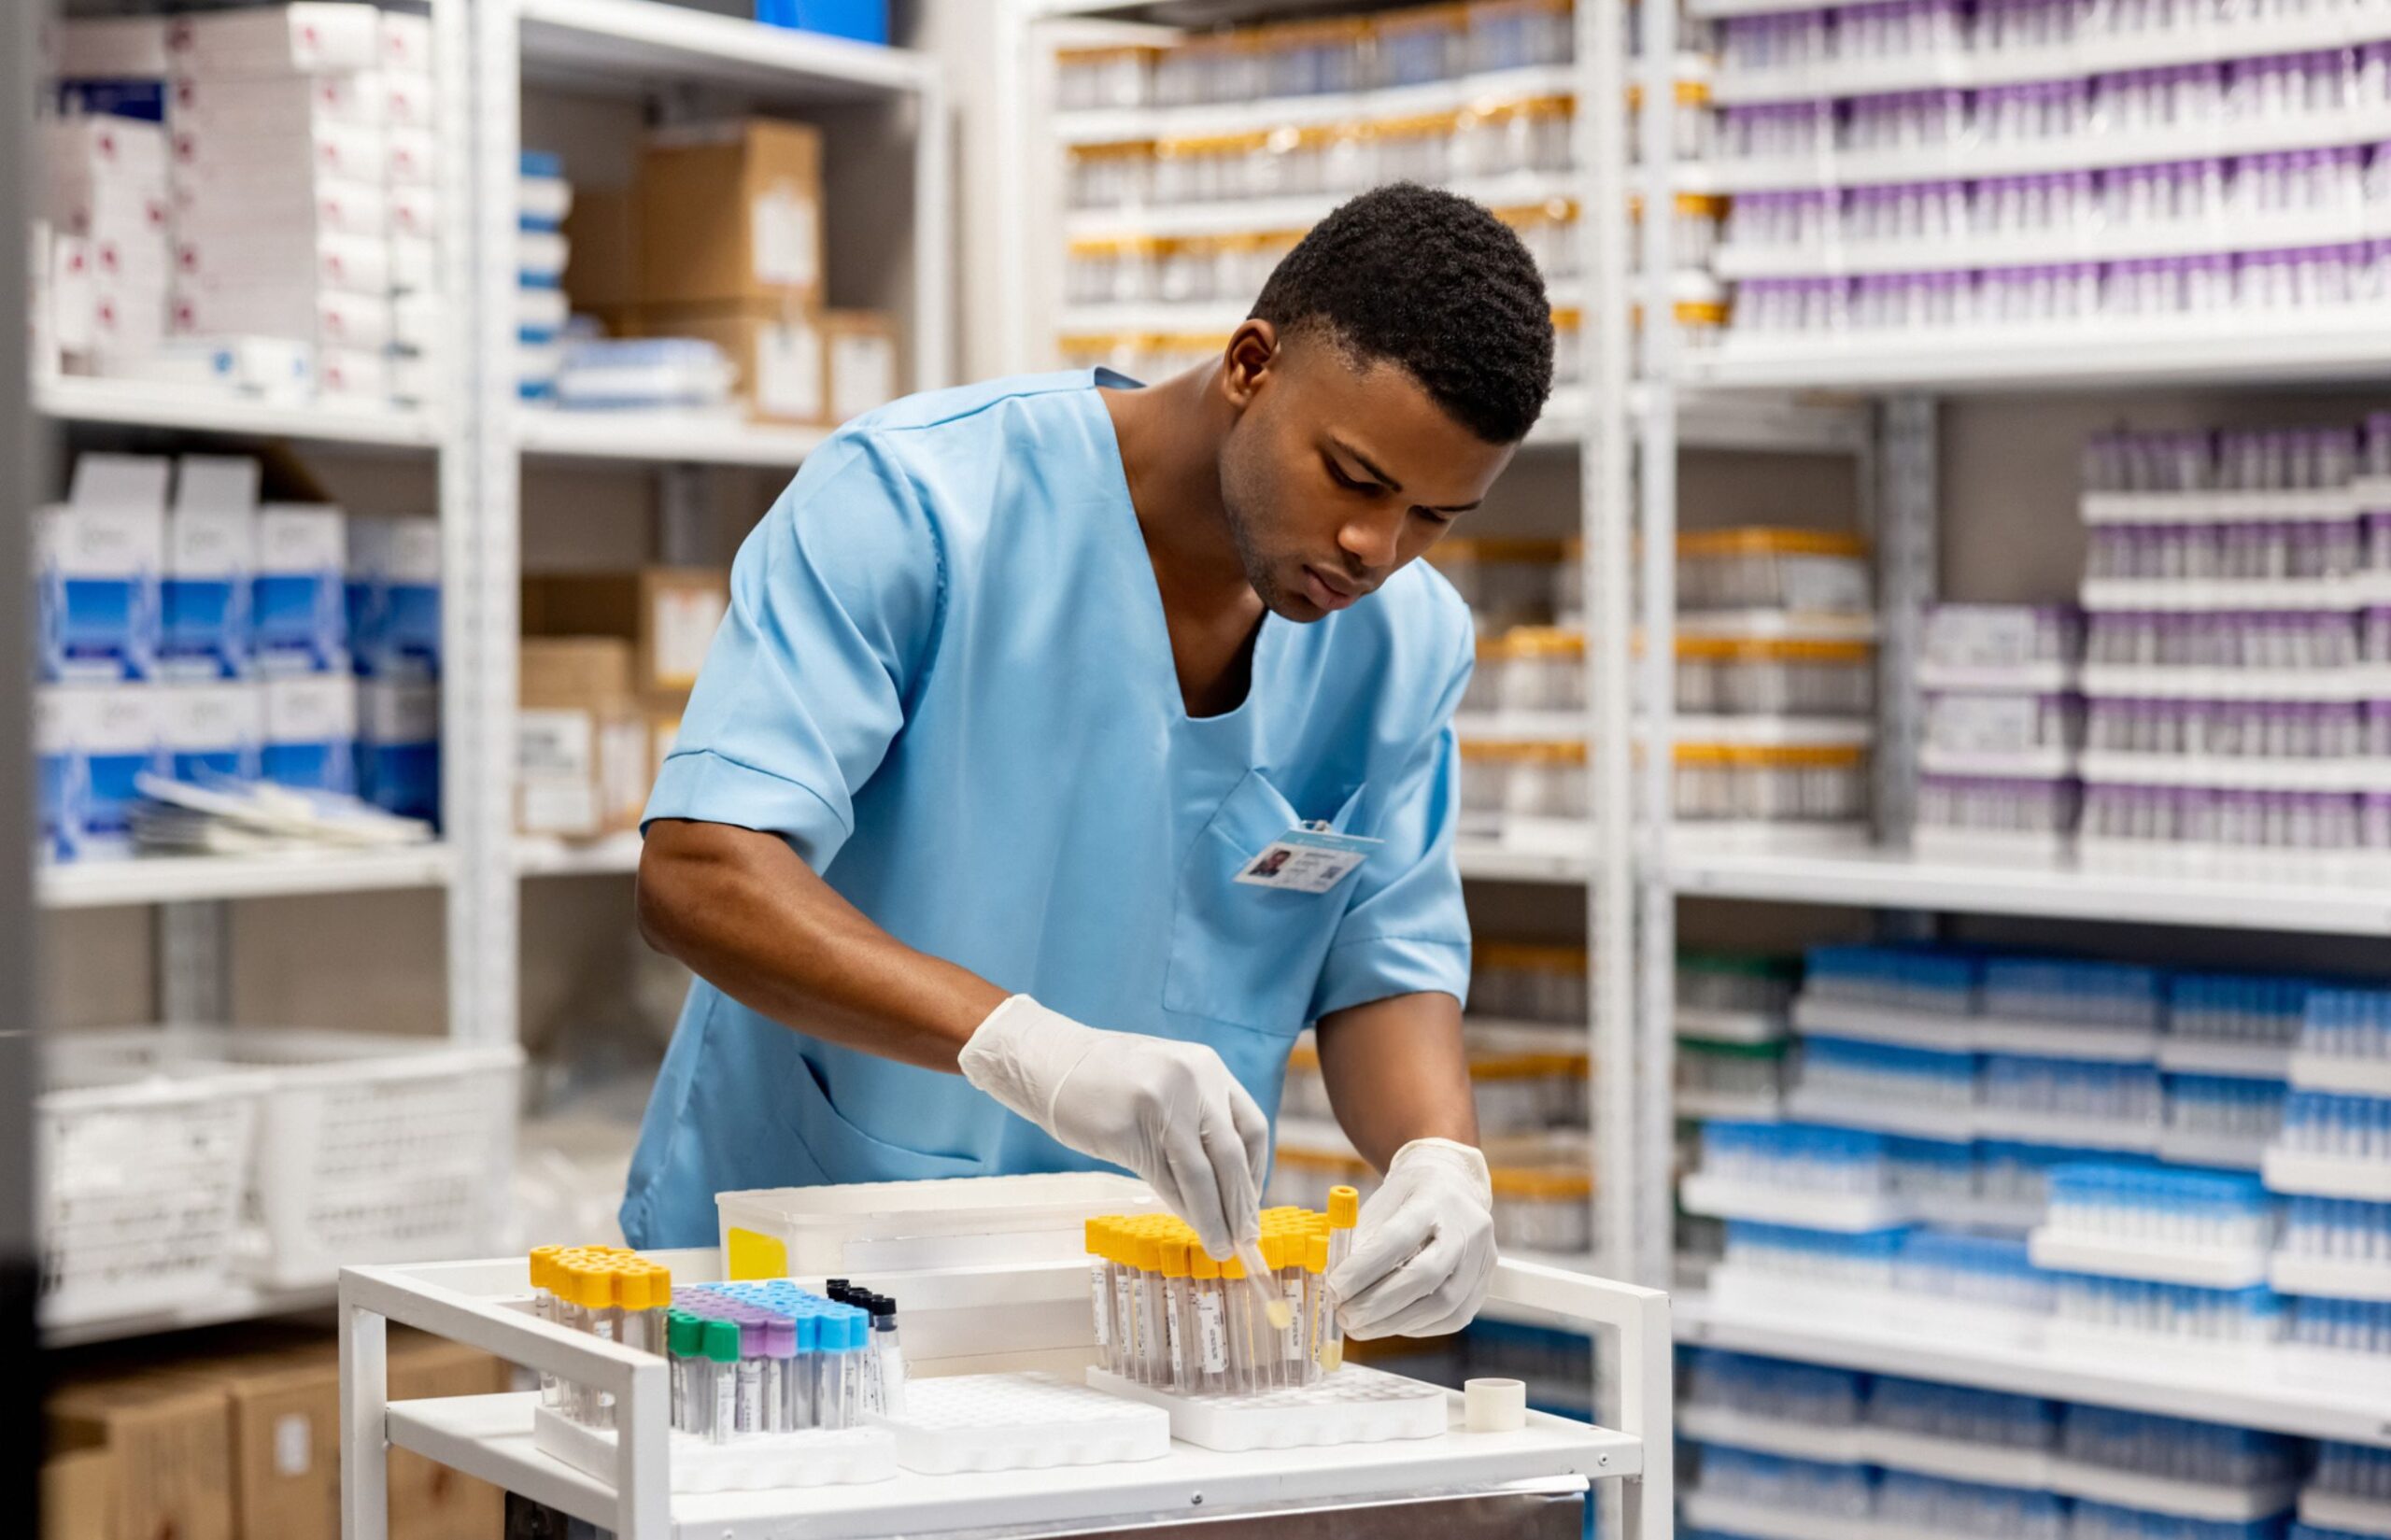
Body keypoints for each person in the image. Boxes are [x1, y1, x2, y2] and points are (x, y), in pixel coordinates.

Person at [626, 182, 1555, 1345]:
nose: (1377, 547)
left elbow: (1384, 967)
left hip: (1133, 1319)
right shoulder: (923, 503)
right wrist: (1028, 1048)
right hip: (785, 1291)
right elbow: (701, 869)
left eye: (1435, 515)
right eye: (1355, 478)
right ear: (1250, 364)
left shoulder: (1404, 643)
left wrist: (1437, 1159)